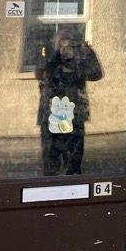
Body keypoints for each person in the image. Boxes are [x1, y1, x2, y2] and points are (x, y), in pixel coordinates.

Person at [36, 28, 103, 175]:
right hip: (52, 113)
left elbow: (96, 74)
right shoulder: (48, 54)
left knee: (73, 161)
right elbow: (41, 74)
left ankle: (73, 190)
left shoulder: (80, 57)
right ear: (54, 42)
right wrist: (55, 54)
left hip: (74, 113)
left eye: (69, 44)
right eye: (62, 43)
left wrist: (88, 53)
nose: (66, 49)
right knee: (51, 161)